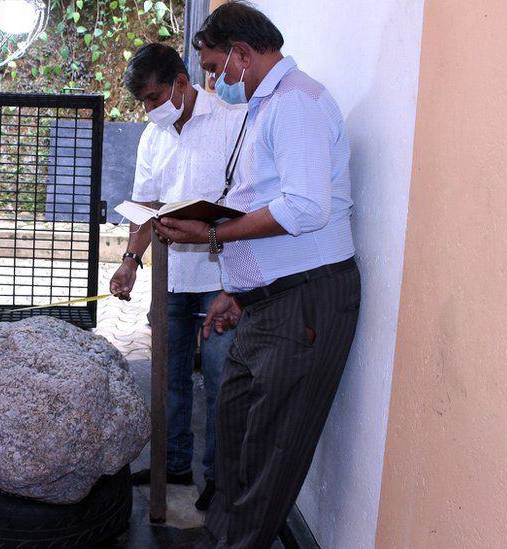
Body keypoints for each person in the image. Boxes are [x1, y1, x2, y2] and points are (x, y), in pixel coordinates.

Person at [155, 3, 361, 547]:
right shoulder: (264, 105)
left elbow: (304, 208)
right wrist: (235, 289)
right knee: (236, 434)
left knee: (270, 451)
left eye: (218, 68)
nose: (216, 81)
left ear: (243, 55)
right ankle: (224, 537)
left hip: (306, 302)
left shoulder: (295, 103)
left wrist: (214, 237)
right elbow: (258, 197)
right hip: (267, 301)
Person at [110, 43, 247, 511]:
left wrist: (234, 281)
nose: (150, 109)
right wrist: (131, 260)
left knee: (219, 376)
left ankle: (217, 479)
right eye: (143, 102)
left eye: (155, 97)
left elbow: (247, 204)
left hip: (219, 276)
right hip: (170, 276)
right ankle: (173, 464)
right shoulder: (154, 135)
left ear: (182, 83)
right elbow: (145, 206)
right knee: (167, 378)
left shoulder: (232, 123)